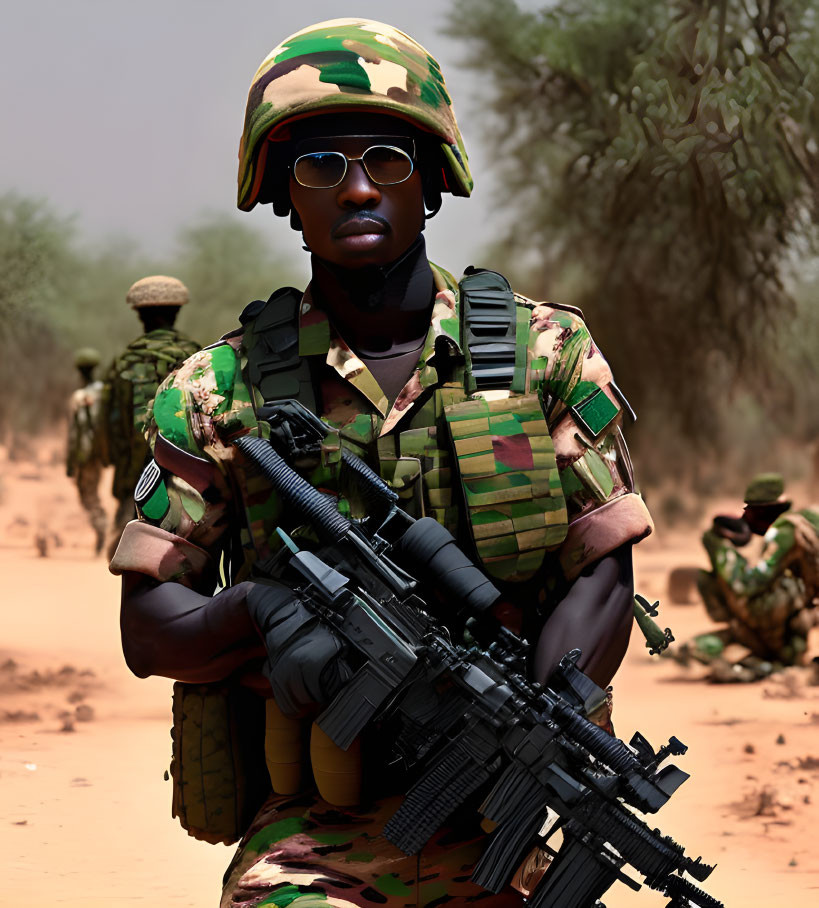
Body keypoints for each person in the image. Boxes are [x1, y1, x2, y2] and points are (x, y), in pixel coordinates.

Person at [110, 18, 654, 907]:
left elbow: (601, 574)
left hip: (503, 810)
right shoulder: (215, 388)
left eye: (387, 161)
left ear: (433, 180)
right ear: (283, 195)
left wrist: (533, 716)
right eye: (320, 166)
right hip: (316, 828)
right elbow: (149, 624)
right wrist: (260, 611)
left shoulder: (543, 353)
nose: (356, 189)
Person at [679, 473, 819, 681]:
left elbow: (750, 583)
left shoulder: (783, 530)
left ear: (763, 510)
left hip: (775, 623)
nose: (746, 518)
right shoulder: (807, 519)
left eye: (750, 511)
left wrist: (718, 544)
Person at [103, 275, 200, 559]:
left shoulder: (125, 361)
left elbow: (114, 422)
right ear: (177, 312)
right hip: (186, 468)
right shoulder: (196, 357)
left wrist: (121, 467)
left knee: (126, 547)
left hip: (136, 470)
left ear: (140, 316)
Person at [67, 347, 108, 555]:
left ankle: (103, 528)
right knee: (91, 492)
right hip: (100, 452)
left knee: (88, 495)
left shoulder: (79, 396)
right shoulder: (103, 392)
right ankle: (103, 527)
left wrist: (69, 461)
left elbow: (75, 433)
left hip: (85, 454)